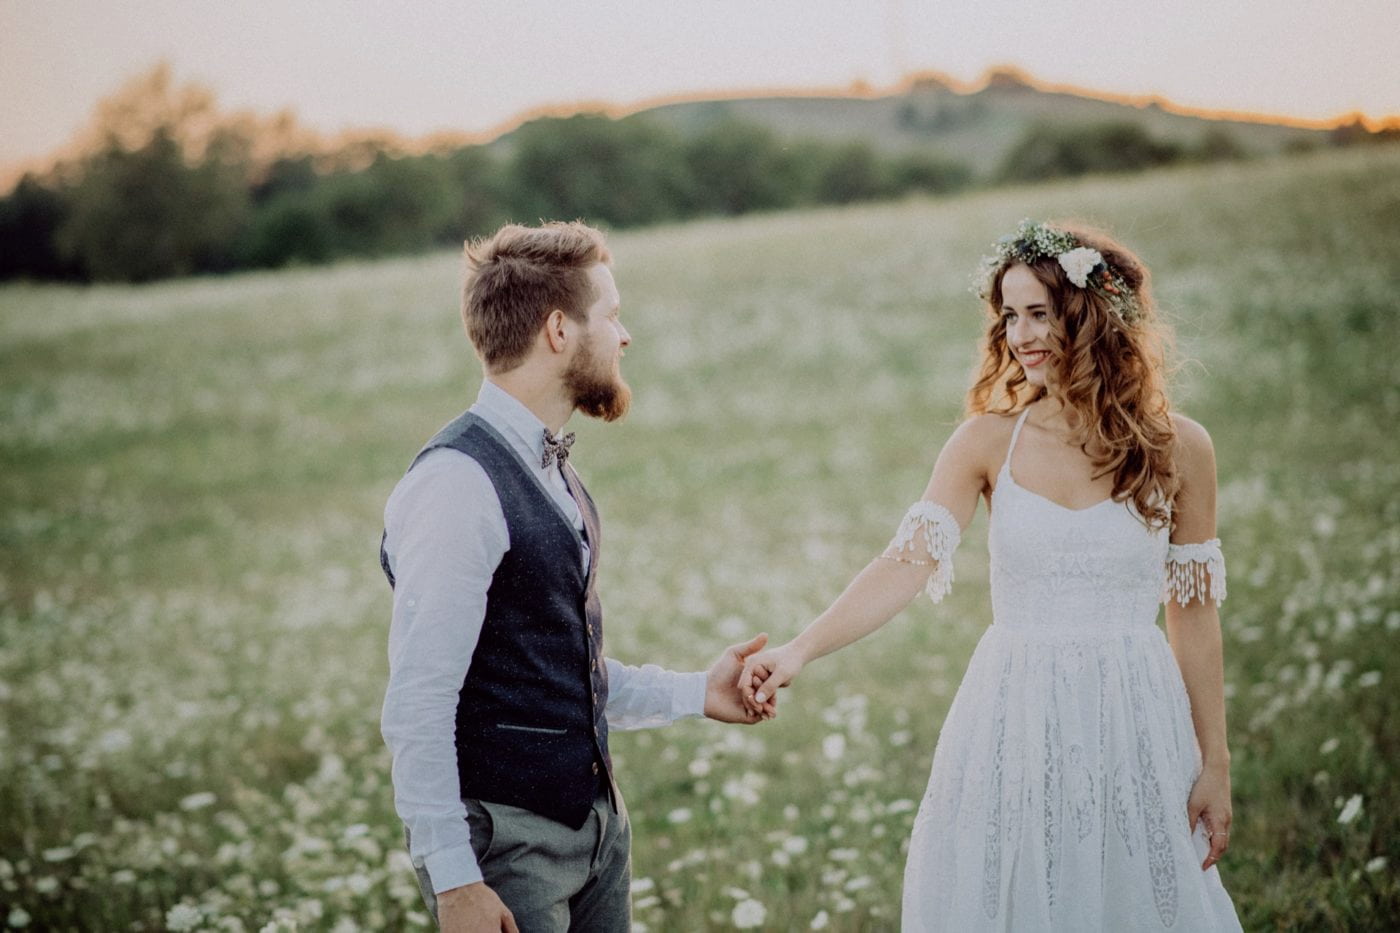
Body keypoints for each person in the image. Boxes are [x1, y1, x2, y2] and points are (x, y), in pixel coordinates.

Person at [738, 220, 1243, 931]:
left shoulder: (1181, 447)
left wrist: (1214, 762)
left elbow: (1193, 615)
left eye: (1040, 312)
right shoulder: (984, 442)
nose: (1021, 334)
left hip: (1134, 715)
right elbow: (904, 562)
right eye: (1009, 315)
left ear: (1092, 315)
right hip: (1016, 710)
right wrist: (798, 649)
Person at [379, 221, 776, 933]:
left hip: (598, 834)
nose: (625, 337)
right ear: (559, 330)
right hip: (509, 851)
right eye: (613, 315)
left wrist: (697, 692)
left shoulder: (550, 467)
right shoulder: (457, 485)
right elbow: (420, 699)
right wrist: (454, 880)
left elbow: (558, 671)